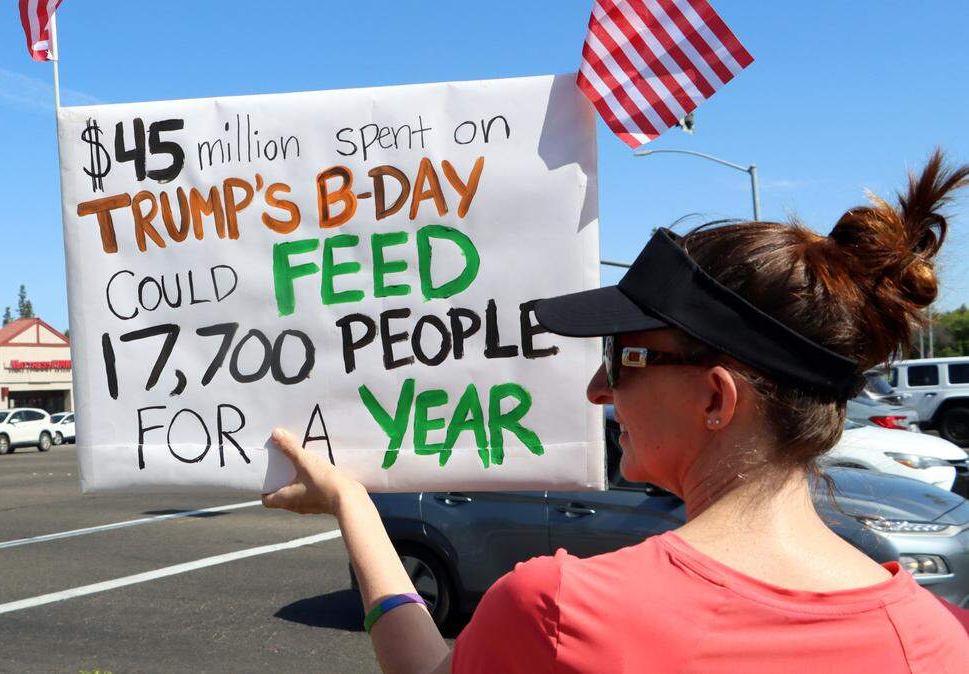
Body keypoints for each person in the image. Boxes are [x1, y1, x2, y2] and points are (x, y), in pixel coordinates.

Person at [262, 151, 969, 673]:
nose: (601, 390)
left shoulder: (563, 612)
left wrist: (350, 503)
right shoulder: (940, 641)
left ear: (717, 398)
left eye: (624, 358)